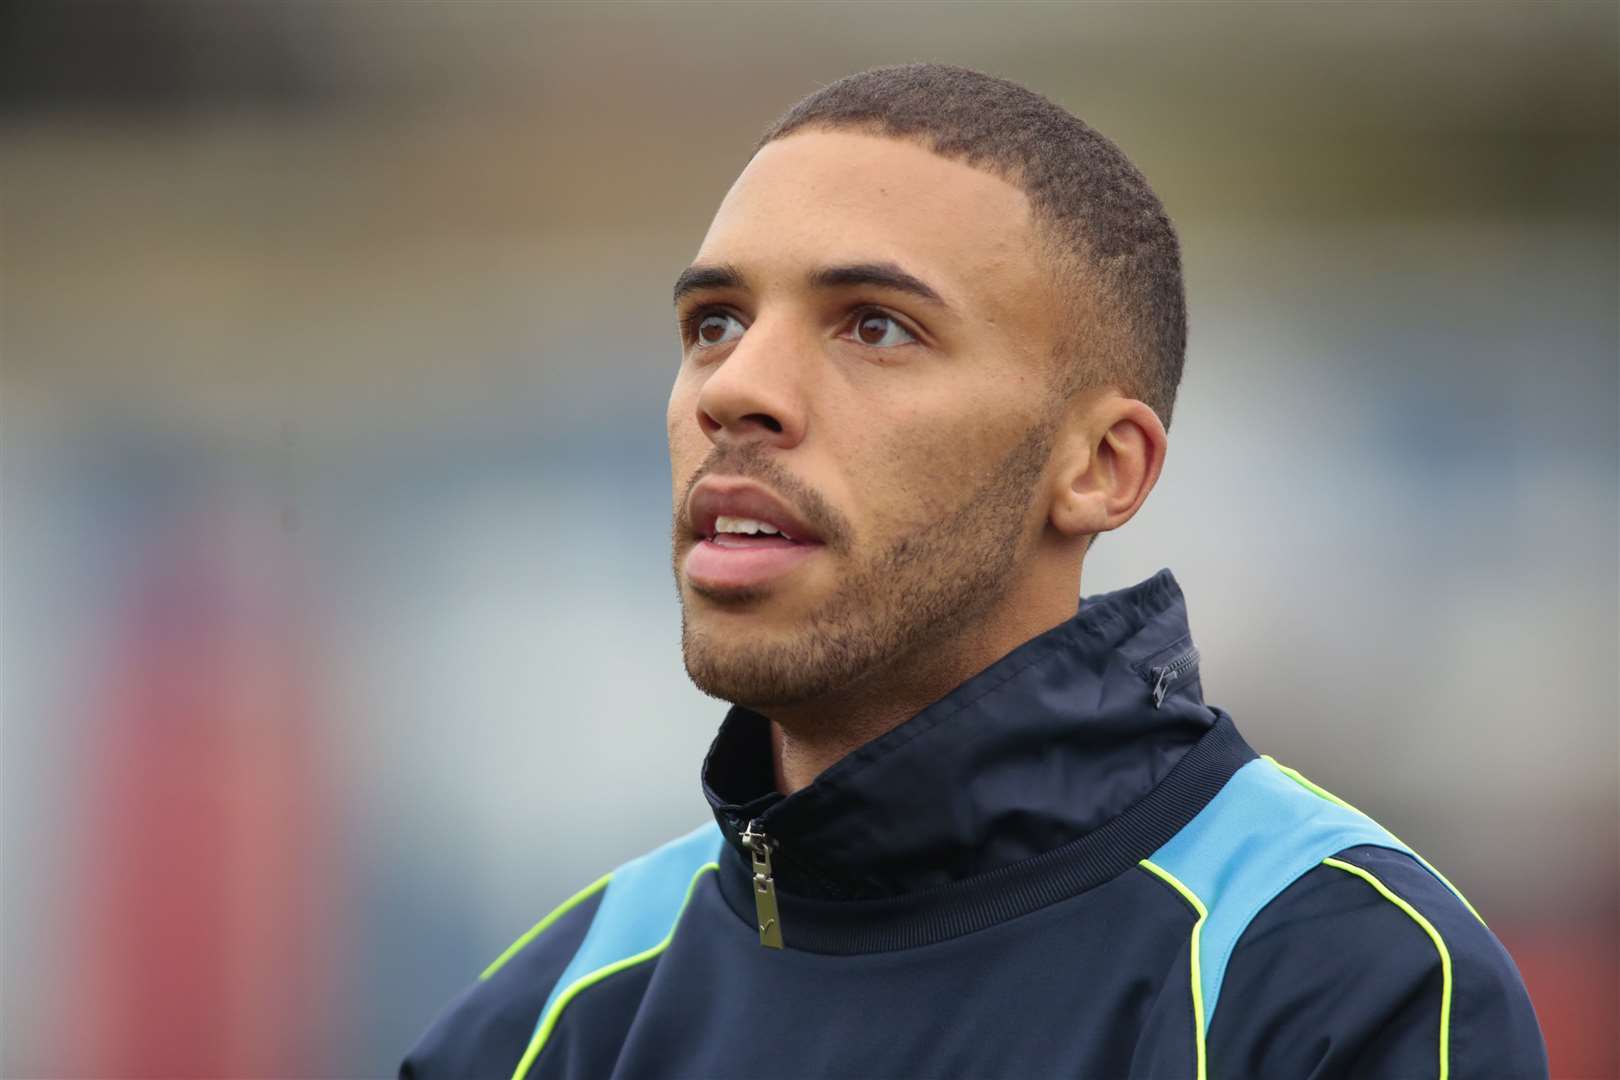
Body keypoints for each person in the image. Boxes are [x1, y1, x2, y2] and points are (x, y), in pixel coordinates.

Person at [400, 63, 1547, 1080]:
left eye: (875, 327)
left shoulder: (1329, 976)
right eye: (714, 322)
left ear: (1101, 466)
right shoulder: (551, 1019)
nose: (732, 388)